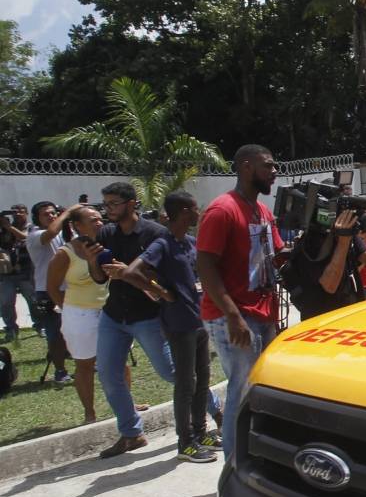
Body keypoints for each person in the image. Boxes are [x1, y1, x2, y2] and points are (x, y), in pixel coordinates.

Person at [93, 182, 220, 459]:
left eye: (113, 203)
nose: (108, 209)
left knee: (188, 377)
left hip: (175, 319)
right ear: (186, 212)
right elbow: (121, 272)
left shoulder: (167, 237)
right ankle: (158, 438)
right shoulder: (127, 237)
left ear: (131, 203)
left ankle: (203, 428)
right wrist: (163, 294)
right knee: (178, 381)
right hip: (136, 316)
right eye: (107, 204)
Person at [197, 144, 284, 459]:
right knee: (241, 389)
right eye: (269, 165)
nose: (275, 172)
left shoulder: (262, 211)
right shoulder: (223, 210)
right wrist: (233, 316)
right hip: (233, 316)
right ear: (246, 167)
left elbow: (278, 256)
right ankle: (234, 464)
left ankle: (254, 454)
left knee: (258, 387)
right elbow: (205, 265)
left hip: (261, 312)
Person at [46, 206, 108, 423]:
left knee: (117, 361)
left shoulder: (106, 245)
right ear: (77, 226)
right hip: (80, 315)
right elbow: (52, 287)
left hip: (109, 313)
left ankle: (125, 402)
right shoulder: (66, 253)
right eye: (93, 220)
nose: (99, 223)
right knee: (85, 365)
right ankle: (89, 412)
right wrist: (70, 311)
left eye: (101, 219)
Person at [286, 209, 366, 319]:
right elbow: (330, 286)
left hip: (350, 316)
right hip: (322, 322)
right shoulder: (310, 240)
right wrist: (343, 242)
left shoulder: (348, 235)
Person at [27, 202, 79, 382]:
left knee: (78, 328)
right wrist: (67, 214)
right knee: (55, 333)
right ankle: (60, 371)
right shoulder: (35, 235)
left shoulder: (64, 232)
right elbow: (50, 234)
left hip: (71, 287)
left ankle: (86, 361)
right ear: (36, 218)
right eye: (45, 214)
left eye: (53, 213)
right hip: (47, 291)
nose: (51, 216)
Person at [1, 204, 35, 342]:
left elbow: (25, 239)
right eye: (15, 212)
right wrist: (4, 227)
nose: (18, 214)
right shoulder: (5, 229)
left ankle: (40, 325)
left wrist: (9, 227)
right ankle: (11, 329)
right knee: (6, 303)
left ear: (26, 213)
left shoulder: (32, 227)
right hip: (6, 273)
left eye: (21, 212)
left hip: (26, 271)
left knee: (33, 301)